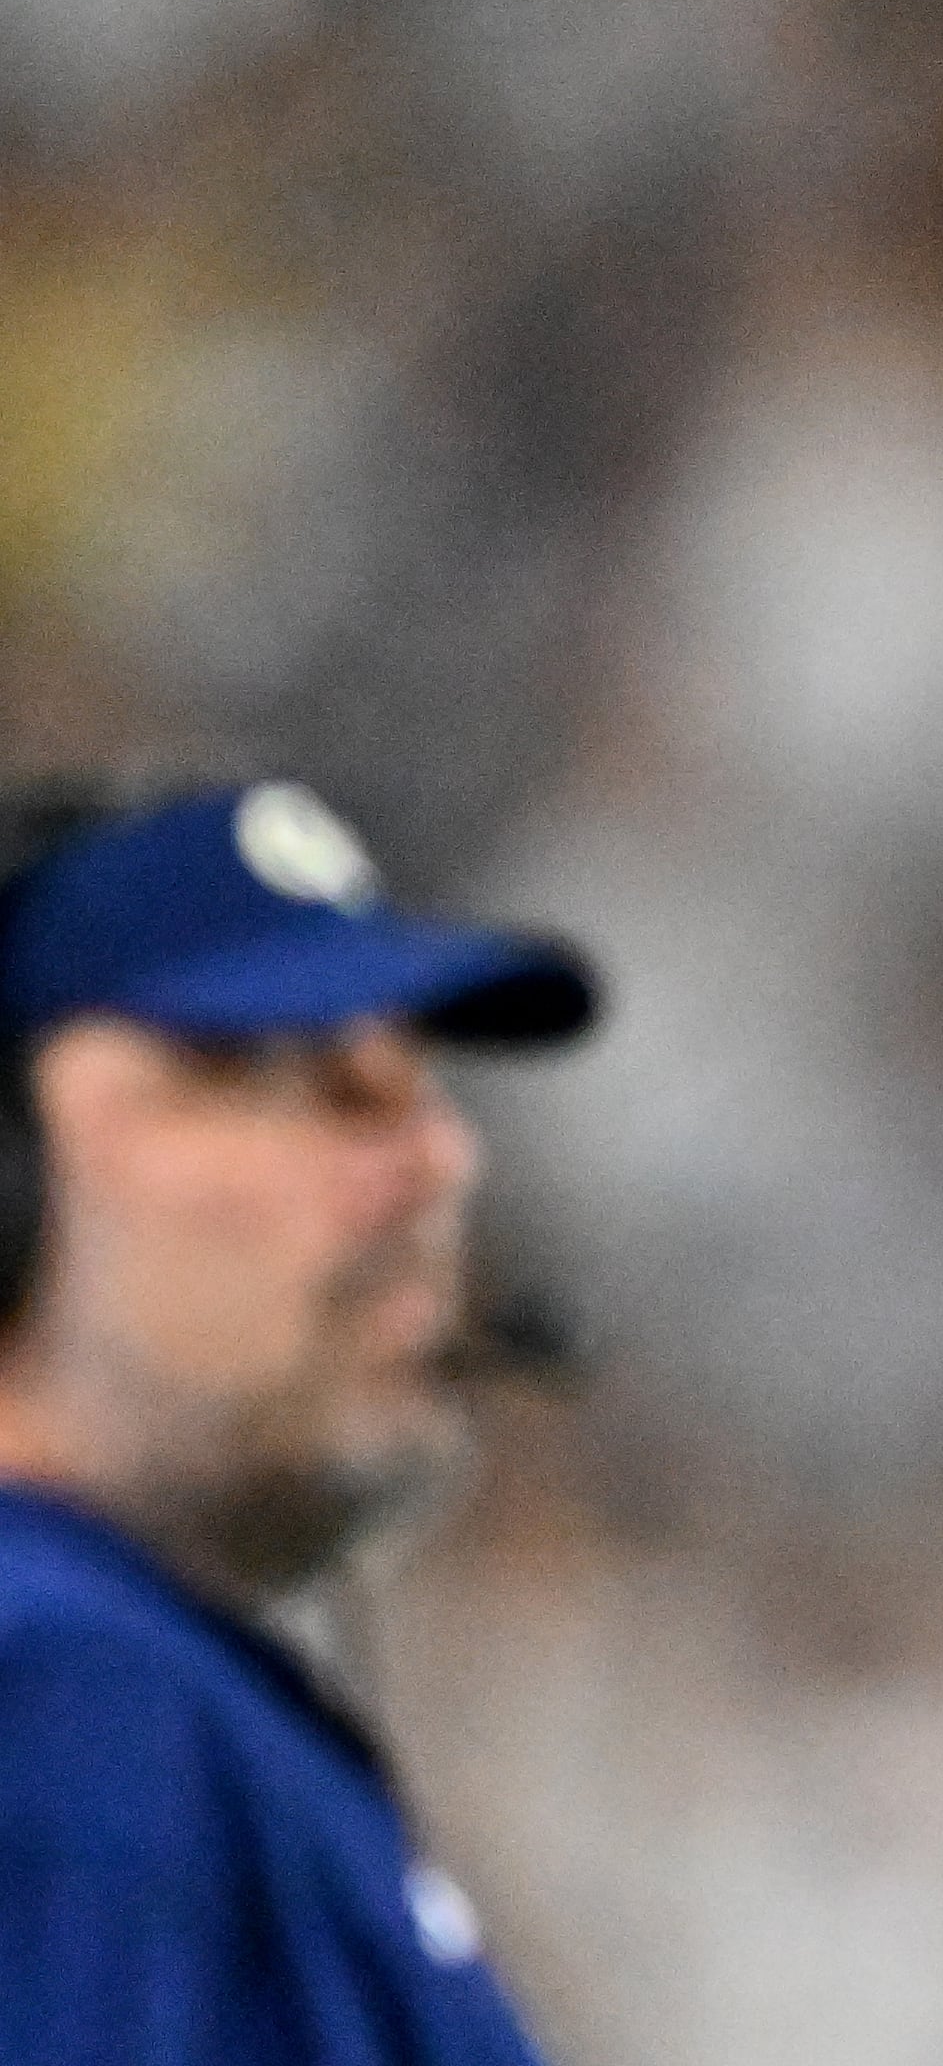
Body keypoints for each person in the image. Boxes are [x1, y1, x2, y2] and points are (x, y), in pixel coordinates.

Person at [0, 778, 596, 2066]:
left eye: (417, 1081)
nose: (439, 1158)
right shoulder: (62, 1703)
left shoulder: (125, 1690)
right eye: (280, 1069)